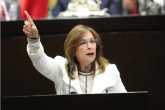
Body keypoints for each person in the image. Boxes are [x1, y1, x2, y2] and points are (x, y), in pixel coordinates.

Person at [23, 11, 127, 94]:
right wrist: (34, 40)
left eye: (92, 41)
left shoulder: (110, 70)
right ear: (73, 50)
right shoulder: (61, 68)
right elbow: (41, 62)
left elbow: (125, 103)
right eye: (83, 43)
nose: (90, 46)